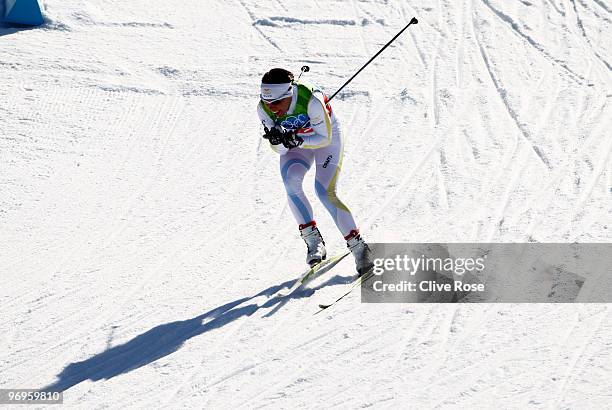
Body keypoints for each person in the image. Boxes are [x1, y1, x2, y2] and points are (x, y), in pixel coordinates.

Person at [257, 67, 373, 275]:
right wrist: (280, 142)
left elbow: (324, 138)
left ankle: (359, 248)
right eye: (267, 103)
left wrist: (297, 139)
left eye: (276, 103)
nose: (272, 109)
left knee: (324, 191)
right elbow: (279, 150)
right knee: (290, 182)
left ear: (289, 95)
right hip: (299, 144)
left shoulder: (311, 101)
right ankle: (313, 241)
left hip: (325, 140)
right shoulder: (264, 109)